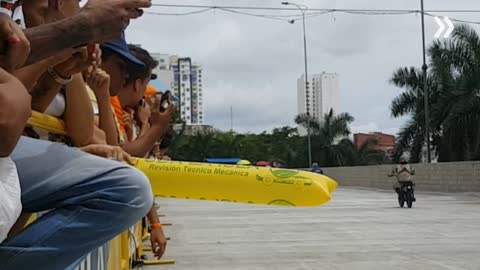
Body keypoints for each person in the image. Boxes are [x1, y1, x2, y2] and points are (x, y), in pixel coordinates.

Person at [0, 0, 156, 269]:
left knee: (130, 188)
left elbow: (84, 132)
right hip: (10, 145)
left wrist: (65, 62)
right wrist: (70, 33)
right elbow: (11, 112)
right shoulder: (22, 29)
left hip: (14, 150)